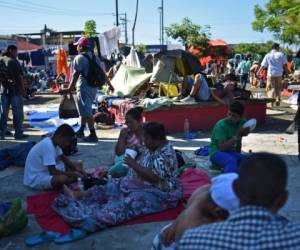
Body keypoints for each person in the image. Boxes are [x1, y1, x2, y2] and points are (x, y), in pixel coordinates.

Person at [52, 122, 181, 232]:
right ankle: (79, 195)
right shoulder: (153, 146)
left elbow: (155, 178)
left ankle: (90, 219)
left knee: (125, 205)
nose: (144, 141)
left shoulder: (166, 154)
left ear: (156, 139)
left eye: (146, 139)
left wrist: (134, 165)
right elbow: (123, 153)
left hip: (157, 192)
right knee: (111, 186)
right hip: (138, 183)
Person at [178, 152, 300, 250]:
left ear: (235, 188)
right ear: (283, 200)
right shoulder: (295, 238)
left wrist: (194, 207)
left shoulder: (192, 240)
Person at [152, 173, 239, 250]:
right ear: (219, 212)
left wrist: (173, 226)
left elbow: (186, 212)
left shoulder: (204, 193)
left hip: (164, 237)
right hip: (170, 242)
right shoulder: (202, 229)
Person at [65, 37, 114, 142]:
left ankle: (92, 134)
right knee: (84, 109)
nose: (77, 47)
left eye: (78, 45)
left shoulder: (79, 58)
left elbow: (75, 75)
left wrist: (69, 88)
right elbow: (102, 73)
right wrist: (110, 84)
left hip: (84, 88)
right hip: (94, 88)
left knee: (86, 112)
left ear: (81, 47)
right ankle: (81, 130)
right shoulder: (95, 57)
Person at [23, 124, 86, 190]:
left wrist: (76, 169)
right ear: (59, 137)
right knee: (63, 178)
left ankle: (74, 179)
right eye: (67, 141)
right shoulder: (47, 146)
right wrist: (72, 174)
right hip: (36, 178)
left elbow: (64, 158)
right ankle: (73, 181)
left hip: (46, 170)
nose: (67, 144)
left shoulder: (55, 142)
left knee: (78, 164)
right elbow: (53, 171)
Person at [209, 101, 249, 173]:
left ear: (240, 117)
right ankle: (228, 182)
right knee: (232, 161)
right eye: (229, 114)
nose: (230, 117)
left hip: (230, 152)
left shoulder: (242, 123)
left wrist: (238, 155)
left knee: (248, 160)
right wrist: (237, 136)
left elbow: (239, 141)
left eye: (234, 116)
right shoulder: (221, 125)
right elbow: (222, 148)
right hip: (216, 152)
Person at [0, 45, 27, 140]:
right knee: (17, 113)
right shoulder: (13, 61)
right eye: (16, 52)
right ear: (11, 51)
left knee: (3, 114)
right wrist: (23, 90)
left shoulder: (1, 60)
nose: (16, 54)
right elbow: (20, 77)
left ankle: (1, 135)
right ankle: (18, 134)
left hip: (3, 91)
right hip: (15, 91)